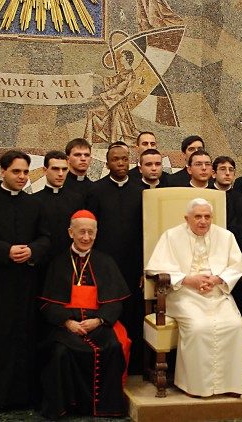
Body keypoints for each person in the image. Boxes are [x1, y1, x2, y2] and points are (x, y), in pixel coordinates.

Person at [0, 150, 51, 410]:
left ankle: (24, 397)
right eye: (16, 171)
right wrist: (6, 251)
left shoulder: (35, 204)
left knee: (25, 337)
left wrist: (32, 251)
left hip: (26, 282)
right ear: (2, 172)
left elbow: (46, 238)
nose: (22, 176)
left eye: (26, 172)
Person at [145, 198, 242, 397]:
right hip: (183, 294)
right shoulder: (171, 236)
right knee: (198, 327)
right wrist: (188, 280)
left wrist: (218, 279)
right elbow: (156, 268)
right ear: (187, 218)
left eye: (207, 217)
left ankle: (230, 384)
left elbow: (238, 266)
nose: (203, 221)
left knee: (234, 325)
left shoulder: (225, 236)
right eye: (198, 217)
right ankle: (196, 386)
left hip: (217, 293)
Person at [38, 210, 131, 419]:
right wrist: (67, 322)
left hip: (98, 324)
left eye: (91, 232)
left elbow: (116, 303)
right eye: (81, 232)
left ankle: (107, 407)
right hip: (66, 326)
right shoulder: (58, 262)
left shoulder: (106, 262)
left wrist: (98, 320)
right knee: (60, 352)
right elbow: (46, 305)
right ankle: (67, 406)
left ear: (96, 234)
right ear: (71, 232)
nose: (86, 237)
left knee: (113, 347)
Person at [86, 141, 146, 374]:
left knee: (134, 311)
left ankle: (135, 367)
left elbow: (145, 230)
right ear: (108, 162)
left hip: (133, 263)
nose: (120, 163)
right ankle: (109, 366)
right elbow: (92, 230)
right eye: (115, 159)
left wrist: (144, 267)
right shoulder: (96, 190)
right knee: (107, 310)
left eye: (124, 159)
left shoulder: (141, 191)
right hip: (105, 264)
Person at [35, 151, 86, 260]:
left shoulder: (76, 200)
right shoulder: (34, 200)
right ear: (45, 170)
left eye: (64, 169)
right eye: (55, 169)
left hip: (69, 259)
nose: (60, 174)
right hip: (42, 261)